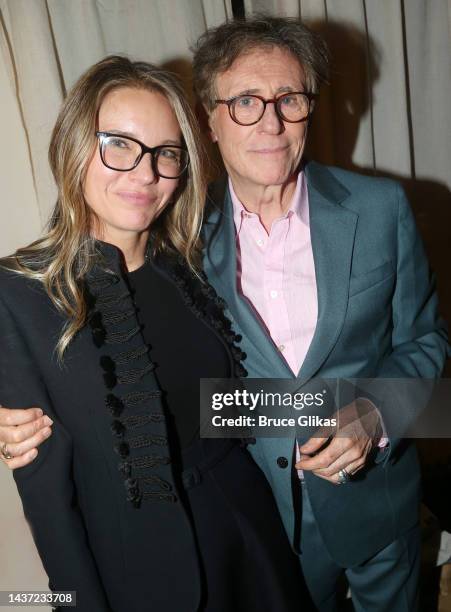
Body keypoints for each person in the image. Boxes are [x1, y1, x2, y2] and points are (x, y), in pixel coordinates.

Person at [2, 15, 450, 612]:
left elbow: (430, 345)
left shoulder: (381, 208)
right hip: (263, 523)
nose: (270, 121)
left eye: (289, 98)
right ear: (208, 120)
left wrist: (373, 410)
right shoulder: (187, 240)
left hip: (376, 509)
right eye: (244, 101)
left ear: (311, 109)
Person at [0, 55, 307, 612]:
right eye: (119, 144)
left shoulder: (188, 269)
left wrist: (357, 410)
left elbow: (224, 412)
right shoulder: (19, 293)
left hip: (251, 544)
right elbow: (48, 504)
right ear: (74, 145)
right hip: (139, 578)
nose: (145, 174)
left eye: (166, 154)